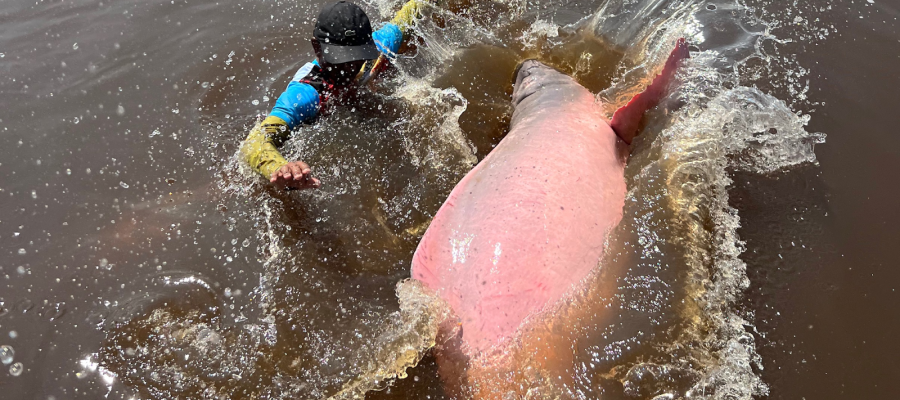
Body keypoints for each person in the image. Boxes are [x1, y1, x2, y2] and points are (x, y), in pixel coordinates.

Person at [240, 0, 425, 190]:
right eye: (340, 58)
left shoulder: (379, 46)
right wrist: (279, 167)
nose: (349, 67)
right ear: (317, 48)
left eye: (357, 55)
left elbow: (412, 11)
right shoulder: (306, 93)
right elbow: (255, 142)